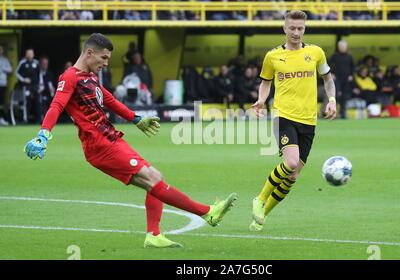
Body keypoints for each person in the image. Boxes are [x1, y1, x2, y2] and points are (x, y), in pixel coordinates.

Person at [23, 33, 237, 248]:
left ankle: (154, 235)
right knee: (153, 179)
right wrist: (43, 135)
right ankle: (208, 212)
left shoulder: (89, 77)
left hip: (111, 139)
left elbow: (109, 100)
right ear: (89, 53)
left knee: (155, 178)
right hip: (100, 146)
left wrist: (135, 119)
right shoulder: (69, 77)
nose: (106, 64)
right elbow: (57, 105)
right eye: (104, 58)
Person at [250, 11, 336, 231]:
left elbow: (327, 79)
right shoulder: (273, 56)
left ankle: (262, 216)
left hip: (309, 120)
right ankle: (259, 199)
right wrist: (261, 100)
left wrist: (332, 100)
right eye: (292, 28)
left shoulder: (316, 52)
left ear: (304, 29)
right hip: (283, 116)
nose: (296, 32)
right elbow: (266, 82)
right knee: (290, 163)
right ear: (284, 28)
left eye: (300, 28)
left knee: (294, 174)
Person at [329, 40, 354, 118]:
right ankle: (334, 113)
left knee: (345, 96)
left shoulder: (349, 56)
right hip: (337, 79)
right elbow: (327, 65)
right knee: (337, 96)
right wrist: (331, 74)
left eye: (343, 46)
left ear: (346, 47)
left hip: (346, 80)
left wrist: (351, 75)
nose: (342, 48)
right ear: (338, 47)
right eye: (341, 46)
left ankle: (343, 113)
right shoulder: (335, 56)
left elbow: (353, 67)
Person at [16, 48, 41, 123]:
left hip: (35, 86)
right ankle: (25, 119)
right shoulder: (22, 63)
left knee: (38, 102)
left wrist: (40, 84)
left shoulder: (36, 63)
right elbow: (17, 73)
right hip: (26, 86)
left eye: (31, 53)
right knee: (27, 102)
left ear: (33, 54)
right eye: (28, 53)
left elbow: (40, 74)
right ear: (26, 54)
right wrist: (24, 79)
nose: (30, 55)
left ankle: (39, 119)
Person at [0, 44, 12, 125]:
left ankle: (1, 118)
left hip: (2, 83)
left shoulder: (5, 60)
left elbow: (10, 69)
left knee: (1, 102)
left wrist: (2, 68)